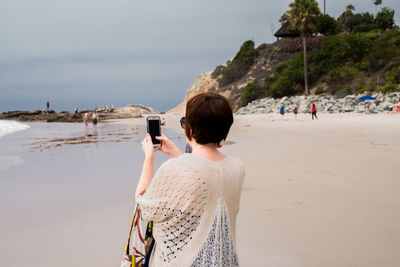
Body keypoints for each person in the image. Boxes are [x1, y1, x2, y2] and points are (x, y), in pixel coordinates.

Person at [135, 92, 245, 266]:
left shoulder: (176, 168)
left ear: (190, 128)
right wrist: (175, 154)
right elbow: (205, 184)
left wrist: (149, 157)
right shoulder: (237, 167)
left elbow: (145, 206)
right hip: (224, 260)